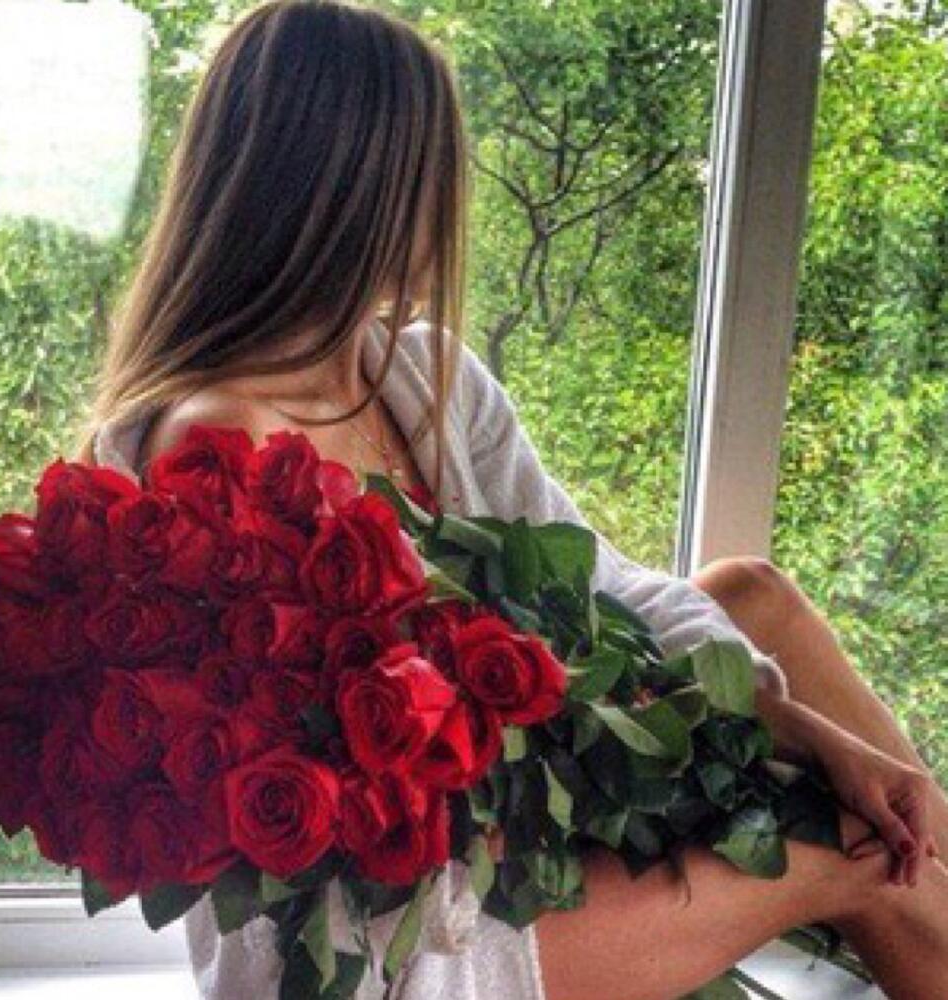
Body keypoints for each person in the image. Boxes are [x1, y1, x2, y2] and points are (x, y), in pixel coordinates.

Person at [77, 2, 948, 997]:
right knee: (867, 850)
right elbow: (359, 832)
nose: (449, 208)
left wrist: (813, 733)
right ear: (360, 188)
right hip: (411, 936)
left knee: (752, 601)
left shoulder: (419, 377)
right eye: (434, 173)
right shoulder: (221, 442)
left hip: (526, 829)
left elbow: (606, 585)